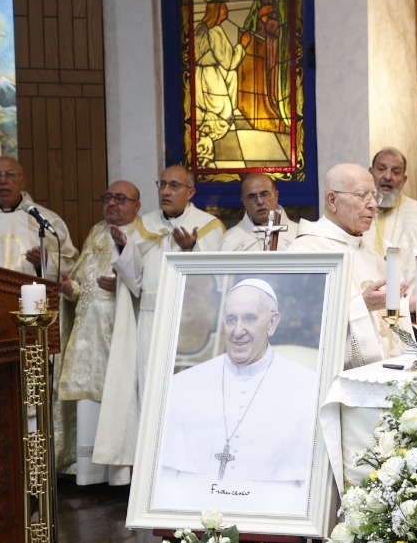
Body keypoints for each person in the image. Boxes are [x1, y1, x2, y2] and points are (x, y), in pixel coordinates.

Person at [152, 279, 320, 516]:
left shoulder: (307, 388)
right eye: (231, 319)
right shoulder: (183, 385)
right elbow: (166, 481)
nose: (238, 331)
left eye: (249, 319)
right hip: (195, 511)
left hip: (270, 513)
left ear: (272, 323)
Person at [111, 165, 224, 393]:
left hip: (190, 319)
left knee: (188, 384)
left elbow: (215, 280)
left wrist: (191, 248)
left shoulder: (208, 226)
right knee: (150, 382)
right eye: (162, 185)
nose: (165, 192)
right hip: (150, 317)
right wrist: (124, 249)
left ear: (190, 192)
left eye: (174, 186)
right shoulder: (144, 225)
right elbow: (135, 282)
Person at [58, 180, 141, 486]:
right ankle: (89, 473)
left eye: (120, 198)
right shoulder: (96, 232)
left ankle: (118, 474)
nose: (112, 203)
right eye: (108, 197)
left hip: (119, 334)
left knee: (117, 400)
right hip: (87, 336)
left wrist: (124, 285)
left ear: (136, 206)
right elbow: (82, 285)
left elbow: (147, 287)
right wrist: (69, 288)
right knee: (87, 403)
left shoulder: (143, 235)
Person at [289, 163, 394, 368]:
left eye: (374, 196)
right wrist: (362, 306)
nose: (373, 205)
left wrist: (408, 306)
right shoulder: (306, 253)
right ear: (332, 200)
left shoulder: (371, 256)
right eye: (362, 195)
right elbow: (300, 326)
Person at [363, 148, 417, 314]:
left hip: (409, 311)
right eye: (381, 169)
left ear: (403, 180)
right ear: (370, 173)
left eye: (395, 172)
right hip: (364, 308)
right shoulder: (357, 212)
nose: (388, 176)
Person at [221, 174, 301, 252]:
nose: (259, 201)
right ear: (244, 201)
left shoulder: (299, 234)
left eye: (265, 194)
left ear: (276, 196)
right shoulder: (231, 240)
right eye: (251, 197)